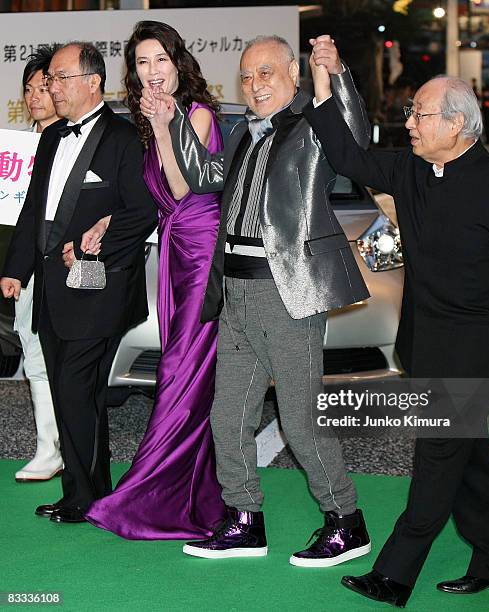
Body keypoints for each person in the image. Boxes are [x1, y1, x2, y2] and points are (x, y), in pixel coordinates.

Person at [304, 61, 489, 606]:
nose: (409, 122)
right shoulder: (411, 169)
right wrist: (322, 87)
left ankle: (394, 574)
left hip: (478, 345)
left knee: (437, 456)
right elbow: (347, 155)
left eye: (420, 114)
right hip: (426, 339)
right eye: (411, 112)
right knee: (469, 461)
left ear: (458, 125)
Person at [141, 34, 371, 566]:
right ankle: (244, 520)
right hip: (236, 291)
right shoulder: (244, 133)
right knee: (228, 416)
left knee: (299, 419)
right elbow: (202, 178)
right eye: (246, 76)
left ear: (292, 72)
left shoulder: (313, 127)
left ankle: (346, 522)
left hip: (287, 292)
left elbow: (353, 133)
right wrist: (172, 119)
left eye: (266, 73)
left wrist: (336, 74)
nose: (255, 85)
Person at [0, 42, 157, 523]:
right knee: (77, 393)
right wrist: (15, 268)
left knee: (74, 387)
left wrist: (95, 246)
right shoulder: (50, 139)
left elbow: (142, 212)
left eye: (61, 78)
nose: (52, 87)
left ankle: (84, 493)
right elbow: (35, 212)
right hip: (50, 289)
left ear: (93, 82)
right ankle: (87, 492)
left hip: (99, 289)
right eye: (50, 79)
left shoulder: (125, 140)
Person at [85, 20, 226, 540]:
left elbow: (183, 184)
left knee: (181, 371)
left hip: (202, 248)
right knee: (178, 366)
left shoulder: (199, 113)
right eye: (142, 64)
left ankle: (149, 491)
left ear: (178, 62)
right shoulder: (148, 122)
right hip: (173, 250)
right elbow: (149, 198)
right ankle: (192, 490)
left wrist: (167, 128)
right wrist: (105, 220)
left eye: (160, 60)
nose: (152, 72)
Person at [13, 45, 63, 483]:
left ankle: (67, 447)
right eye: (29, 89)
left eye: (44, 86)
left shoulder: (76, 140)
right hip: (26, 269)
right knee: (35, 358)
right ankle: (49, 447)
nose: (35, 96)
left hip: (69, 267)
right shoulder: (17, 147)